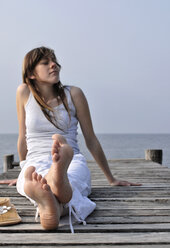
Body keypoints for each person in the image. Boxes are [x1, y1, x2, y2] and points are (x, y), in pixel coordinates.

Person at [1, 47, 141, 232]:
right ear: (31, 73)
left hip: (70, 158)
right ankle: (55, 202)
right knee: (37, 180)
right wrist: (23, 168)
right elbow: (23, 136)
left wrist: (111, 178)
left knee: (61, 179)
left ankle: (52, 191)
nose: (54, 65)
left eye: (54, 61)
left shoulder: (74, 94)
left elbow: (90, 139)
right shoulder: (24, 92)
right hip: (35, 161)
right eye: (45, 63)